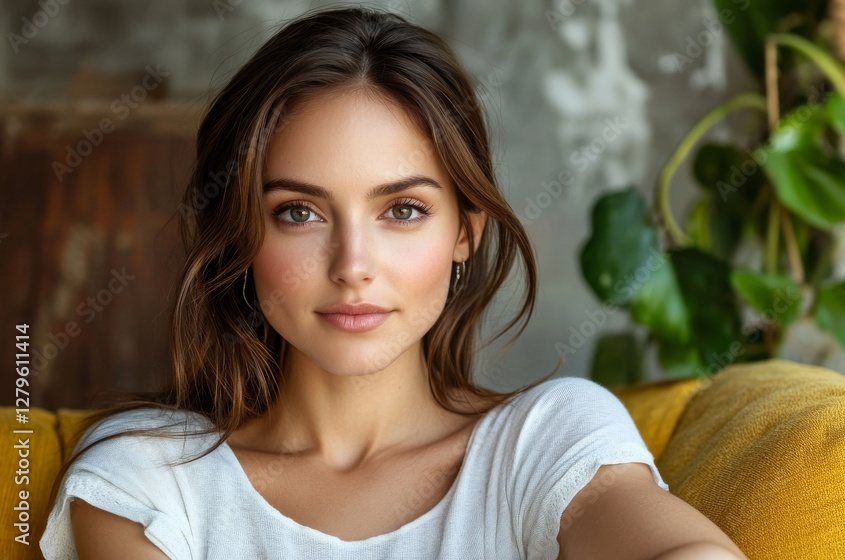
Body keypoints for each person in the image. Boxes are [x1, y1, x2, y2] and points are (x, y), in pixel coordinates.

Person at [38, 6, 745, 559]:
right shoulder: (147, 479)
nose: (352, 265)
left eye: (402, 210)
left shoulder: (545, 443)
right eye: (299, 212)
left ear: (465, 230)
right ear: (240, 233)